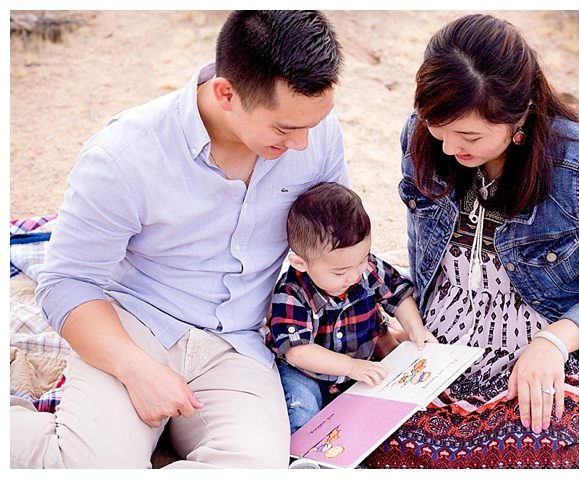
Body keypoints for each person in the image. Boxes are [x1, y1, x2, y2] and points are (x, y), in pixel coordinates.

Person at [12, 11, 346, 468]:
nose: (305, 144)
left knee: (257, 468)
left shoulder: (317, 135)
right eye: (285, 129)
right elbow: (67, 282)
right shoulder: (124, 155)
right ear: (226, 93)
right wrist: (135, 369)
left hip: (241, 343)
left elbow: (332, 242)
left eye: (314, 123)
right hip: (135, 327)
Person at [365, 14, 579, 468]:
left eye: (468, 136)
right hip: (443, 342)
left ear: (518, 115)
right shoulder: (420, 138)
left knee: (533, 448)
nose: (446, 148)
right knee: (383, 442)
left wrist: (553, 344)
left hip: (557, 334)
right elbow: (423, 254)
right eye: (436, 126)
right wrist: (412, 324)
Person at [267, 182, 435, 433]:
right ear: (301, 263)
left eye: (362, 260)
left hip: (358, 370)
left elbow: (399, 295)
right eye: (339, 272)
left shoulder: (363, 269)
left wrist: (415, 328)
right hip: (306, 375)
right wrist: (350, 367)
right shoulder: (292, 293)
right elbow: (297, 352)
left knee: (374, 415)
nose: (355, 275)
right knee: (303, 410)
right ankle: (304, 463)